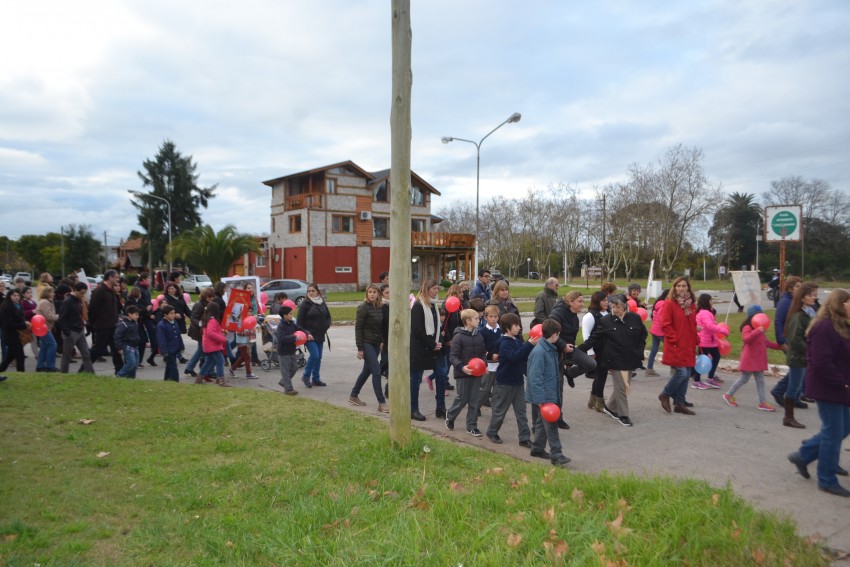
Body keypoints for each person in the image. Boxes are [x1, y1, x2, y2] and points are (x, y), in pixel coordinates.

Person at [787, 288, 850, 497]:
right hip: (829, 387)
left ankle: (804, 455)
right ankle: (826, 479)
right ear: (840, 305)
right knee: (833, 432)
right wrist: (842, 384)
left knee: (842, 428)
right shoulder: (824, 327)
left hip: (840, 386)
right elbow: (821, 362)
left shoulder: (842, 325)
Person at [580, 295, 647, 426]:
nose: (615, 309)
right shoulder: (606, 321)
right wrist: (578, 351)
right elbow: (594, 338)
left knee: (625, 386)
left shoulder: (635, 318)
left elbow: (643, 336)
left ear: (625, 306)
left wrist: (639, 351)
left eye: (618, 306)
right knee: (621, 388)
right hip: (613, 359)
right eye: (613, 306)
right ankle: (623, 415)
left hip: (630, 359)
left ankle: (609, 407)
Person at [546, 290, 595, 428]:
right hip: (556, 351)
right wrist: (562, 346)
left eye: (582, 301)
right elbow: (550, 331)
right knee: (558, 387)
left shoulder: (574, 314)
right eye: (579, 301)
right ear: (570, 302)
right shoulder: (558, 313)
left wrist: (569, 360)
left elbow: (572, 335)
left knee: (591, 363)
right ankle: (557, 417)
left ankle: (570, 373)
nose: (582, 304)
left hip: (569, 349)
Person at [526, 319, 571, 467]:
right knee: (551, 424)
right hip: (545, 396)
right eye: (558, 335)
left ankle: (537, 449)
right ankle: (556, 455)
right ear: (555, 334)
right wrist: (540, 400)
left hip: (549, 392)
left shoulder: (548, 348)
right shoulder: (540, 352)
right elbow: (534, 377)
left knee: (541, 422)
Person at [486, 312, 537, 445]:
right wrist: (528, 345)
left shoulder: (517, 341)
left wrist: (532, 346)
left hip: (518, 381)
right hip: (505, 382)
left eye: (519, 324)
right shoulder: (505, 343)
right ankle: (492, 431)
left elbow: (524, 356)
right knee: (500, 410)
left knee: (521, 411)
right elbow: (515, 356)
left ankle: (524, 438)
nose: (519, 327)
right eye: (516, 325)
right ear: (507, 328)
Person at [722, 305, 784, 411]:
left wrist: (779, 346)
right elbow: (746, 339)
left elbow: (766, 343)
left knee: (760, 380)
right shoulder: (748, 328)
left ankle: (762, 402)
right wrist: (757, 331)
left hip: (758, 360)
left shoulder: (761, 329)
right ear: (753, 317)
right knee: (744, 379)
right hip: (750, 359)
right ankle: (728, 394)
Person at [658, 277, 699, 415]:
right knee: (681, 373)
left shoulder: (691, 304)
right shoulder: (669, 303)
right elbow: (666, 324)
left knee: (687, 373)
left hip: (688, 344)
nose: (681, 288)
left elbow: (692, 324)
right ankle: (665, 394)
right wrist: (674, 339)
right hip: (676, 344)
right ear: (674, 288)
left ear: (688, 287)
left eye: (684, 286)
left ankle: (680, 403)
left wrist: (696, 339)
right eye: (679, 286)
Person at [780, 282, 819, 429]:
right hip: (797, 356)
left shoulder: (807, 313)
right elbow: (795, 339)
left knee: (795, 386)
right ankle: (788, 417)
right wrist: (809, 350)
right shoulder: (798, 316)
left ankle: (789, 416)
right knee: (794, 387)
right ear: (802, 298)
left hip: (802, 356)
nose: (813, 298)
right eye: (810, 295)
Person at [446, 308, 487, 436]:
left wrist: (484, 364)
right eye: (476, 319)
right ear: (468, 321)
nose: (479, 320)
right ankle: (450, 416)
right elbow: (453, 356)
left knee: (474, 400)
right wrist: (462, 367)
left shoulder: (478, 335)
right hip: (463, 373)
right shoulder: (458, 337)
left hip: (477, 374)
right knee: (462, 398)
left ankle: (471, 426)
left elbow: (482, 353)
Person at [349, 284, 387, 412]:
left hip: (376, 344)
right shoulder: (363, 307)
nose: (372, 294)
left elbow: (381, 326)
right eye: (370, 292)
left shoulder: (379, 307)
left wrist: (382, 341)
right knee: (376, 370)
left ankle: (354, 395)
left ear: (378, 294)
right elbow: (358, 328)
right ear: (366, 294)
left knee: (367, 371)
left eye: (374, 292)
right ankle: (381, 402)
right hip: (366, 343)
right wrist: (360, 348)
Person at [409, 279, 442, 421]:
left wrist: (438, 342)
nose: (436, 291)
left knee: (442, 375)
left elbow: (436, 326)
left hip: (434, 347)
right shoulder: (418, 305)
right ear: (426, 289)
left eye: (437, 289)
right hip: (420, 348)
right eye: (434, 288)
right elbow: (417, 330)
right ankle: (413, 409)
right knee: (416, 379)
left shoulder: (434, 305)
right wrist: (432, 344)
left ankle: (440, 407)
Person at [770, 277, 804, 407]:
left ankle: (794, 396)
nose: (800, 289)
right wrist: (781, 341)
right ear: (790, 288)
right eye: (797, 286)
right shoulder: (786, 302)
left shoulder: (794, 301)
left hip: (794, 337)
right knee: (798, 368)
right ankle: (780, 391)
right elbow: (778, 321)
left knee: (799, 368)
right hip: (788, 339)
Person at [88, 270, 123, 374]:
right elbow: (93, 309)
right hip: (102, 325)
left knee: (116, 348)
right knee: (98, 349)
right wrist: (93, 323)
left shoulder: (111, 290)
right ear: (110, 278)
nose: (117, 280)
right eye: (116, 277)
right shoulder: (99, 291)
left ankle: (120, 370)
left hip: (112, 324)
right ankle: (85, 368)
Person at [297, 283, 332, 388]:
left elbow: (328, 316)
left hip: (320, 334)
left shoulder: (321, 302)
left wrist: (326, 325)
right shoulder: (305, 304)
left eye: (313, 290)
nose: (311, 293)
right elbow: (299, 323)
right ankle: (306, 376)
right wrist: (307, 333)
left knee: (319, 357)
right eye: (309, 291)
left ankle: (316, 379)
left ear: (317, 291)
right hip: (309, 335)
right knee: (314, 355)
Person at [691, 294, 728, 389]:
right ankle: (696, 381)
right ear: (706, 302)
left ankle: (710, 378)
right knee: (702, 361)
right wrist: (721, 330)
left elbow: (711, 324)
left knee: (716, 357)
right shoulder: (704, 313)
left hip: (711, 341)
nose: (712, 302)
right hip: (704, 341)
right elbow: (709, 326)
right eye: (711, 300)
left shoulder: (707, 312)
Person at [58, 282, 95, 374]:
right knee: (67, 356)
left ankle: (91, 374)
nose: (83, 295)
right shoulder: (67, 301)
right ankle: (64, 374)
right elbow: (62, 318)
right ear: (75, 290)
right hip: (71, 332)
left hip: (80, 331)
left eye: (84, 293)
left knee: (86, 354)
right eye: (81, 293)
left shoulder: (79, 301)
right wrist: (67, 333)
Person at [582, 291, 609, 412]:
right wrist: (590, 352)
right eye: (604, 300)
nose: (606, 302)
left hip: (607, 350)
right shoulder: (590, 316)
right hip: (596, 351)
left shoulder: (608, 313)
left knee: (600, 376)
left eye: (607, 300)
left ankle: (592, 399)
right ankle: (599, 401)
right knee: (600, 376)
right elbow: (586, 335)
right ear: (597, 301)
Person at [276, 305, 311, 395]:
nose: (292, 315)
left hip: (291, 350)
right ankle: (288, 389)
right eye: (290, 314)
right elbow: (281, 338)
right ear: (285, 315)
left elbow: (300, 329)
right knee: (285, 371)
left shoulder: (291, 323)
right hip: (283, 351)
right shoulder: (281, 326)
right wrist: (294, 337)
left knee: (294, 367)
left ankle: (283, 382)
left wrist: (307, 333)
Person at [197, 302, 232, 387]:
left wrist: (221, 331)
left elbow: (210, 331)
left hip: (208, 345)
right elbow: (211, 333)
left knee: (208, 362)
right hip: (213, 345)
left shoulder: (207, 318)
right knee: (220, 361)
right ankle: (221, 381)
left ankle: (199, 379)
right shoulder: (212, 320)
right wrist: (223, 339)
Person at [0, 288, 30, 379]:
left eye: (18, 295)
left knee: (9, 357)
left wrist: (25, 324)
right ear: (9, 296)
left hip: (18, 334)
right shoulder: (7, 307)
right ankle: (22, 376)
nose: (16, 297)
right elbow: (8, 324)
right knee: (20, 357)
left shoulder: (18, 305)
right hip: (11, 336)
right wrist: (23, 324)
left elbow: (20, 318)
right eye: (14, 296)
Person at [185, 287, 214, 379]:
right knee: (202, 350)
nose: (211, 298)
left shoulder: (208, 303)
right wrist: (200, 324)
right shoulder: (199, 305)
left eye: (212, 296)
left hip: (203, 330)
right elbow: (193, 317)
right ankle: (203, 370)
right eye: (209, 296)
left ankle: (190, 367)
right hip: (199, 331)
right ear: (205, 296)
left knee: (201, 350)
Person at [478, 305, 503, 409]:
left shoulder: (501, 331)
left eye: (495, 316)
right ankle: (475, 407)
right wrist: (490, 355)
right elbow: (480, 348)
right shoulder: (482, 332)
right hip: (488, 366)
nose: (493, 319)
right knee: (485, 389)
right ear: (485, 317)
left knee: (497, 391)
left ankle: (496, 411)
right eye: (491, 316)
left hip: (499, 365)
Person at [135, 273, 159, 366]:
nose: (150, 280)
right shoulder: (137, 288)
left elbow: (148, 301)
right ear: (144, 279)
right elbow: (137, 304)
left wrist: (150, 312)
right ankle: (138, 360)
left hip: (148, 315)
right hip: (141, 316)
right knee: (143, 340)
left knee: (154, 335)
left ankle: (151, 356)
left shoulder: (146, 288)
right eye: (149, 278)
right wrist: (146, 309)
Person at [644, 289, 669, 377]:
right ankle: (676, 368)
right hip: (661, 331)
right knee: (672, 348)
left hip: (655, 330)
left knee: (654, 350)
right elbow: (664, 320)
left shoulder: (658, 304)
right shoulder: (665, 305)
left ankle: (649, 368)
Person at [156, 304, 184, 382]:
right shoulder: (161, 325)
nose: (173, 315)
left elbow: (178, 335)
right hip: (168, 350)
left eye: (174, 313)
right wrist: (164, 351)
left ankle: (166, 380)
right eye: (171, 313)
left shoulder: (174, 322)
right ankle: (176, 381)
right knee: (173, 366)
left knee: (169, 366)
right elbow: (161, 339)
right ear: (165, 314)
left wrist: (181, 346)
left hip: (175, 348)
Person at [34, 286, 59, 372]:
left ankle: (40, 366)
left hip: (44, 328)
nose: (54, 294)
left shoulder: (47, 302)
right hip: (44, 328)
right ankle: (50, 366)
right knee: (53, 345)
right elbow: (49, 316)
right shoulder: (45, 302)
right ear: (47, 293)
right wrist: (59, 317)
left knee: (44, 347)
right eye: (52, 292)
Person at [114, 305, 141, 379]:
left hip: (135, 345)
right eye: (136, 314)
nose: (137, 316)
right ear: (129, 314)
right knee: (131, 362)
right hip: (127, 346)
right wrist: (119, 348)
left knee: (136, 363)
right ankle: (120, 375)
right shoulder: (123, 324)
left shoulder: (135, 323)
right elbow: (117, 336)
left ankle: (131, 378)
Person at [20, 286, 39, 359]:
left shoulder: (33, 302)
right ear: (23, 294)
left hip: (33, 324)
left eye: (31, 292)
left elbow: (36, 309)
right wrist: (31, 311)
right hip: (27, 324)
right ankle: (14, 355)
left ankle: (37, 356)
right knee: (25, 341)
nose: (30, 294)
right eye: (27, 293)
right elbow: (22, 313)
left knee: (33, 340)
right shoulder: (23, 302)